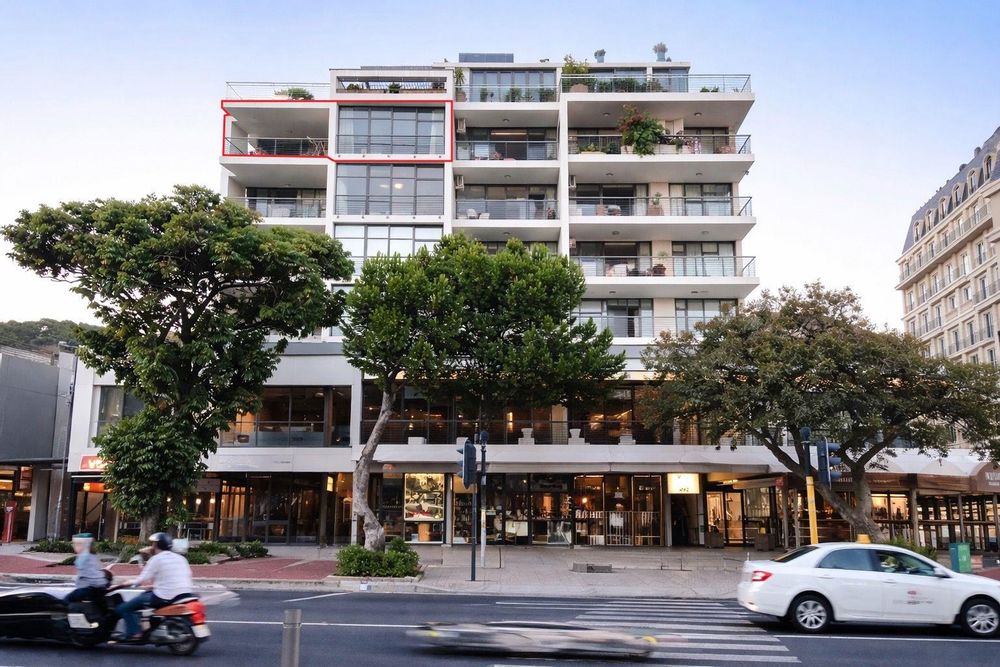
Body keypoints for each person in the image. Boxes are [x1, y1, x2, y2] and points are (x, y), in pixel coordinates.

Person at [114, 532, 193, 642]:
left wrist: (127, 583)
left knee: (124, 608)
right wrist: (154, 586)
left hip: (164, 596)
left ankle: (135, 633)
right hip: (185, 594)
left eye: (153, 544)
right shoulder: (181, 558)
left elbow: (141, 579)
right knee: (144, 597)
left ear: (156, 545)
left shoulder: (156, 559)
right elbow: (177, 577)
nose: (151, 546)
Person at [65, 532, 108, 606]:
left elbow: (80, 566)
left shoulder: (84, 556)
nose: (74, 546)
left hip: (88, 588)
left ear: (83, 545)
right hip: (99, 587)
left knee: (67, 599)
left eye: (76, 544)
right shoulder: (93, 556)